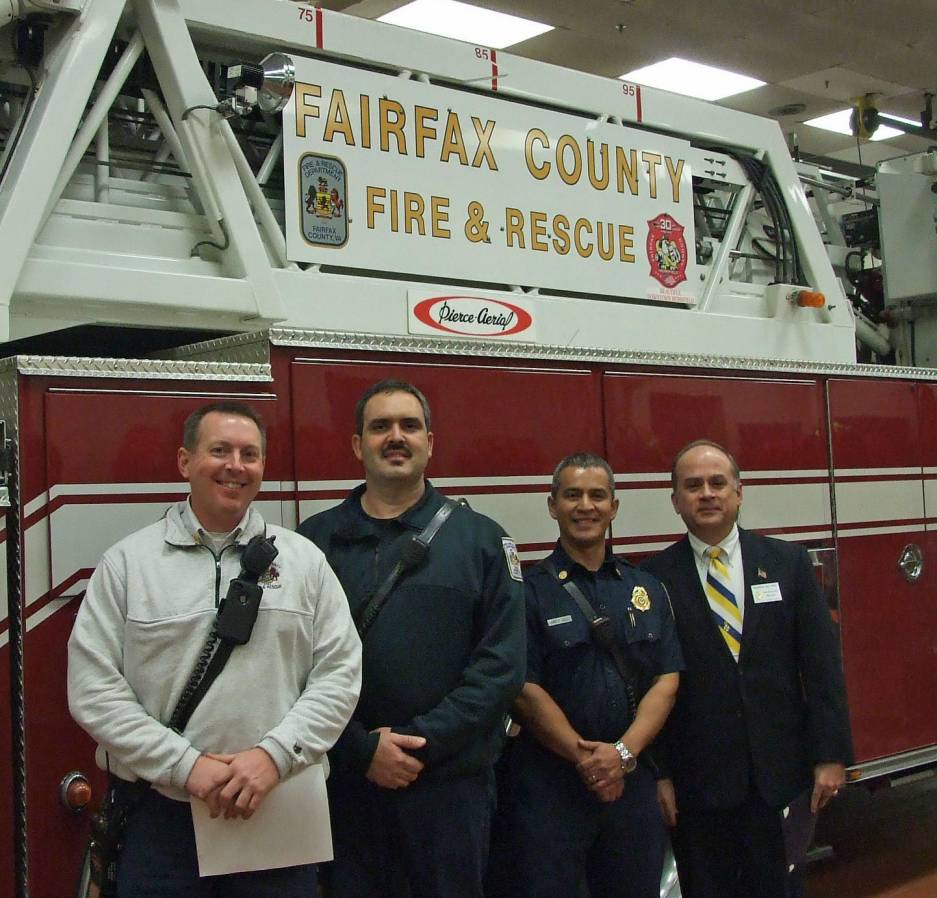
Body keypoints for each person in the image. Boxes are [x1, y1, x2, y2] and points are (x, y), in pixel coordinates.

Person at [68, 400, 362, 898]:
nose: (235, 466)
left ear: (263, 467)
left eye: (250, 454)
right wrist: (186, 767)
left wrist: (273, 757)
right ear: (185, 461)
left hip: (280, 815)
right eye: (219, 450)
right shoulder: (128, 565)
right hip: (163, 824)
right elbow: (93, 690)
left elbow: (339, 673)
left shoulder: (304, 562)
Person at [297, 378, 526, 898]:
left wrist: (419, 745)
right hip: (344, 787)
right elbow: (289, 666)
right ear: (358, 445)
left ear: (430, 441)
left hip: (449, 793)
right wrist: (360, 749)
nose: (395, 437)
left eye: (409, 425)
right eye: (380, 427)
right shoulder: (313, 542)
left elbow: (500, 668)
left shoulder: (483, 541)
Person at [643, 439, 854, 898]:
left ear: (739, 492)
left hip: (779, 779)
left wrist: (831, 755)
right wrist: (658, 773)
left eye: (718, 483)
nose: (707, 493)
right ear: (676, 500)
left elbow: (821, 669)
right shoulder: (653, 579)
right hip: (697, 787)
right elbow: (649, 685)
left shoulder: (788, 564)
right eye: (693, 485)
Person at [508, 452, 682, 898]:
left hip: (632, 785)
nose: (585, 506)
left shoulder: (644, 588)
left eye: (597, 496)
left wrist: (623, 754)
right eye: (572, 495)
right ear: (552, 506)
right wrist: (589, 761)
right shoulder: (528, 594)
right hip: (552, 789)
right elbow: (524, 690)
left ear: (613, 507)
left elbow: (666, 679)